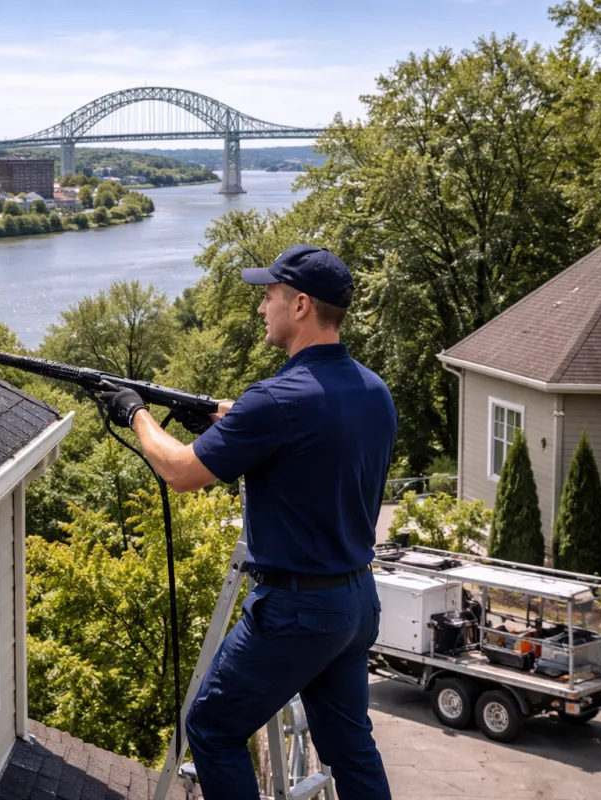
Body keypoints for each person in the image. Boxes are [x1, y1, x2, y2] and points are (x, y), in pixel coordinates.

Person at [100, 245, 395, 800]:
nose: (262, 309)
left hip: (296, 611)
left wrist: (134, 413)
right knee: (351, 749)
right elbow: (310, 439)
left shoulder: (277, 401)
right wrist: (224, 419)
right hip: (354, 602)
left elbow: (182, 471)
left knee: (211, 728)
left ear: (301, 304)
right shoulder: (373, 392)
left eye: (269, 297)